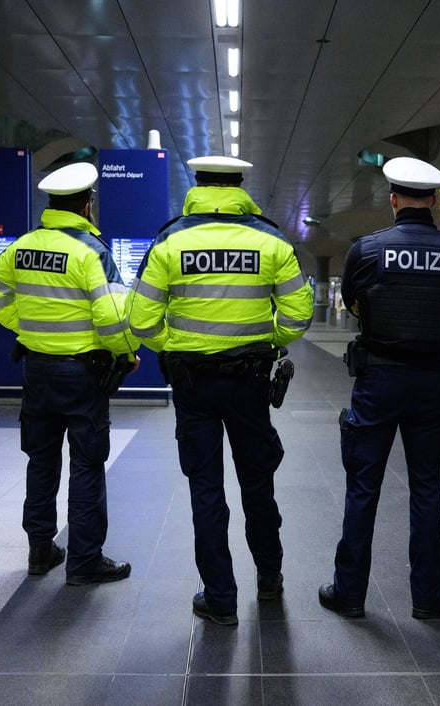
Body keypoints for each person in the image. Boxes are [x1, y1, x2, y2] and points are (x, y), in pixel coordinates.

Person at [127, 155, 314, 625]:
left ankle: (220, 599)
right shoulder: (270, 241)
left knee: (206, 490)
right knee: (258, 483)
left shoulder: (170, 241)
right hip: (250, 384)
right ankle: (269, 580)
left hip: (192, 385)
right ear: (240, 186)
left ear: (198, 185)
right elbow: (298, 315)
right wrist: (267, 340)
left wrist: (176, 345)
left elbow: (141, 320)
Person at [319, 157, 440, 621]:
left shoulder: (367, 251)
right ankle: (428, 597)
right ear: (435, 203)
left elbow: (352, 303)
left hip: (379, 381)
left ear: (393, 200)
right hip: (431, 385)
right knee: (427, 490)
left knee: (363, 488)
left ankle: (349, 594)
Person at [0, 161, 139, 585]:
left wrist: (25, 326)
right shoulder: (92, 252)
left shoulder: (23, 246)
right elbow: (112, 317)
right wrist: (126, 353)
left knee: (41, 460)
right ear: (87, 206)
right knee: (87, 463)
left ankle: (39, 550)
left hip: (37, 370)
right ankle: (84, 560)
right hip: (83, 374)